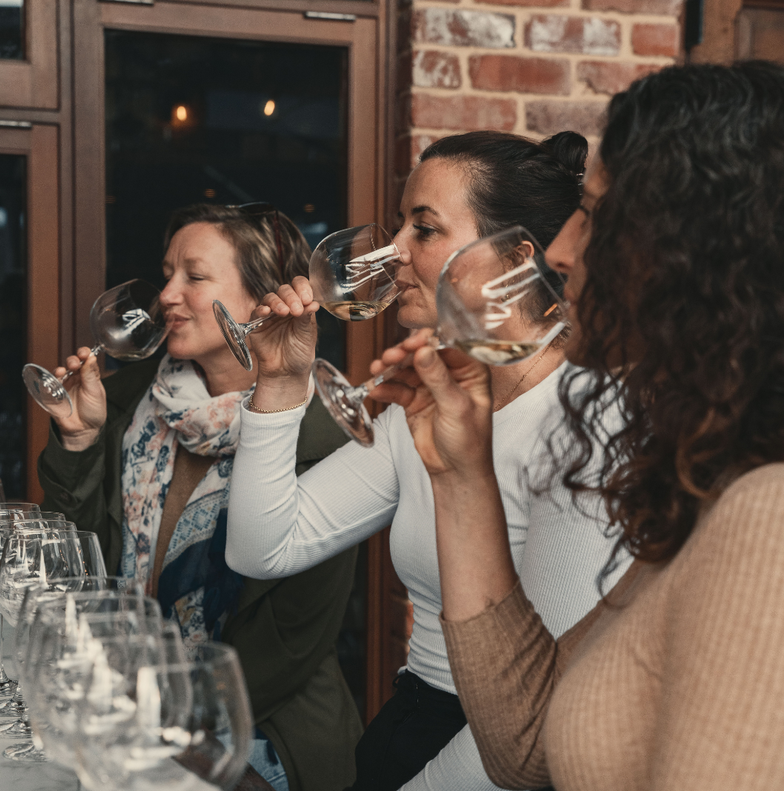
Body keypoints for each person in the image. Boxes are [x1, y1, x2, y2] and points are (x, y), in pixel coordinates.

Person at [376, 61, 784, 791]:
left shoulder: (768, 518)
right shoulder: (713, 483)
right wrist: (461, 475)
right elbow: (527, 747)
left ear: (694, 252)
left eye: (594, 214)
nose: (564, 250)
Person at [227, 131, 626, 790]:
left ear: (514, 257)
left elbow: (558, 707)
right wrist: (277, 383)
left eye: (424, 229)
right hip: (412, 725)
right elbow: (262, 548)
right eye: (396, 227)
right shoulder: (434, 401)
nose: (393, 253)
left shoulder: (588, 420)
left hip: (503, 762)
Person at [37, 203, 363, 791]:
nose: (166, 294)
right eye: (167, 274)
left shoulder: (318, 429)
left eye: (194, 275)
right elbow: (75, 564)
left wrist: (165, 718)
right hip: (128, 707)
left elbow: (295, 639)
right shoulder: (130, 398)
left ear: (262, 296)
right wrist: (80, 439)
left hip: (260, 732)